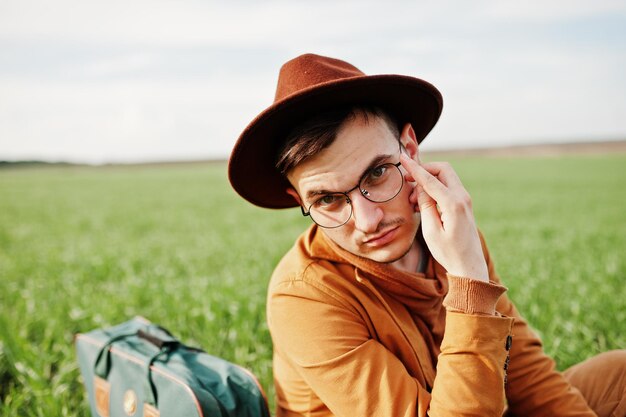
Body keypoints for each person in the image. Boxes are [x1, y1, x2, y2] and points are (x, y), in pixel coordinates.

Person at [228, 53, 625, 417]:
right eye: (329, 199)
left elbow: (522, 371)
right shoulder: (303, 296)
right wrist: (469, 283)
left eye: (378, 173)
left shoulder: (452, 239)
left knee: (618, 375)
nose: (368, 221)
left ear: (410, 149)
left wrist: (465, 264)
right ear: (300, 200)